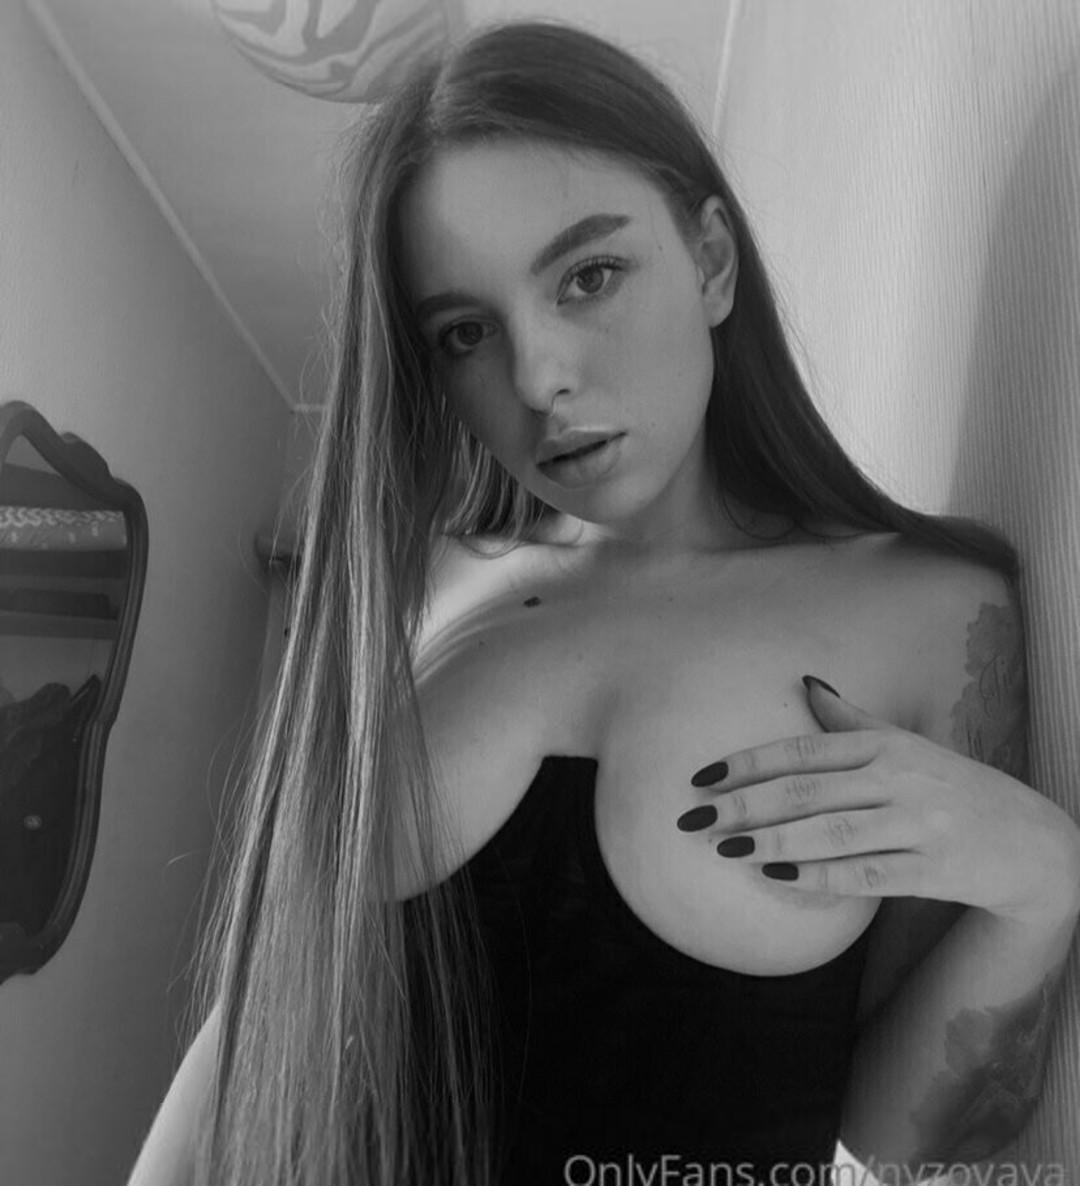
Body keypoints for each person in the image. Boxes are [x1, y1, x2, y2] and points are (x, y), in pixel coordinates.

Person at [126, 19, 1080, 1186]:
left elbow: (896, 1140)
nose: (538, 377)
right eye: (465, 333)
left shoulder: (936, 616)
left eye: (589, 276)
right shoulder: (442, 590)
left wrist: (1041, 882)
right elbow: (266, 1010)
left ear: (711, 260)